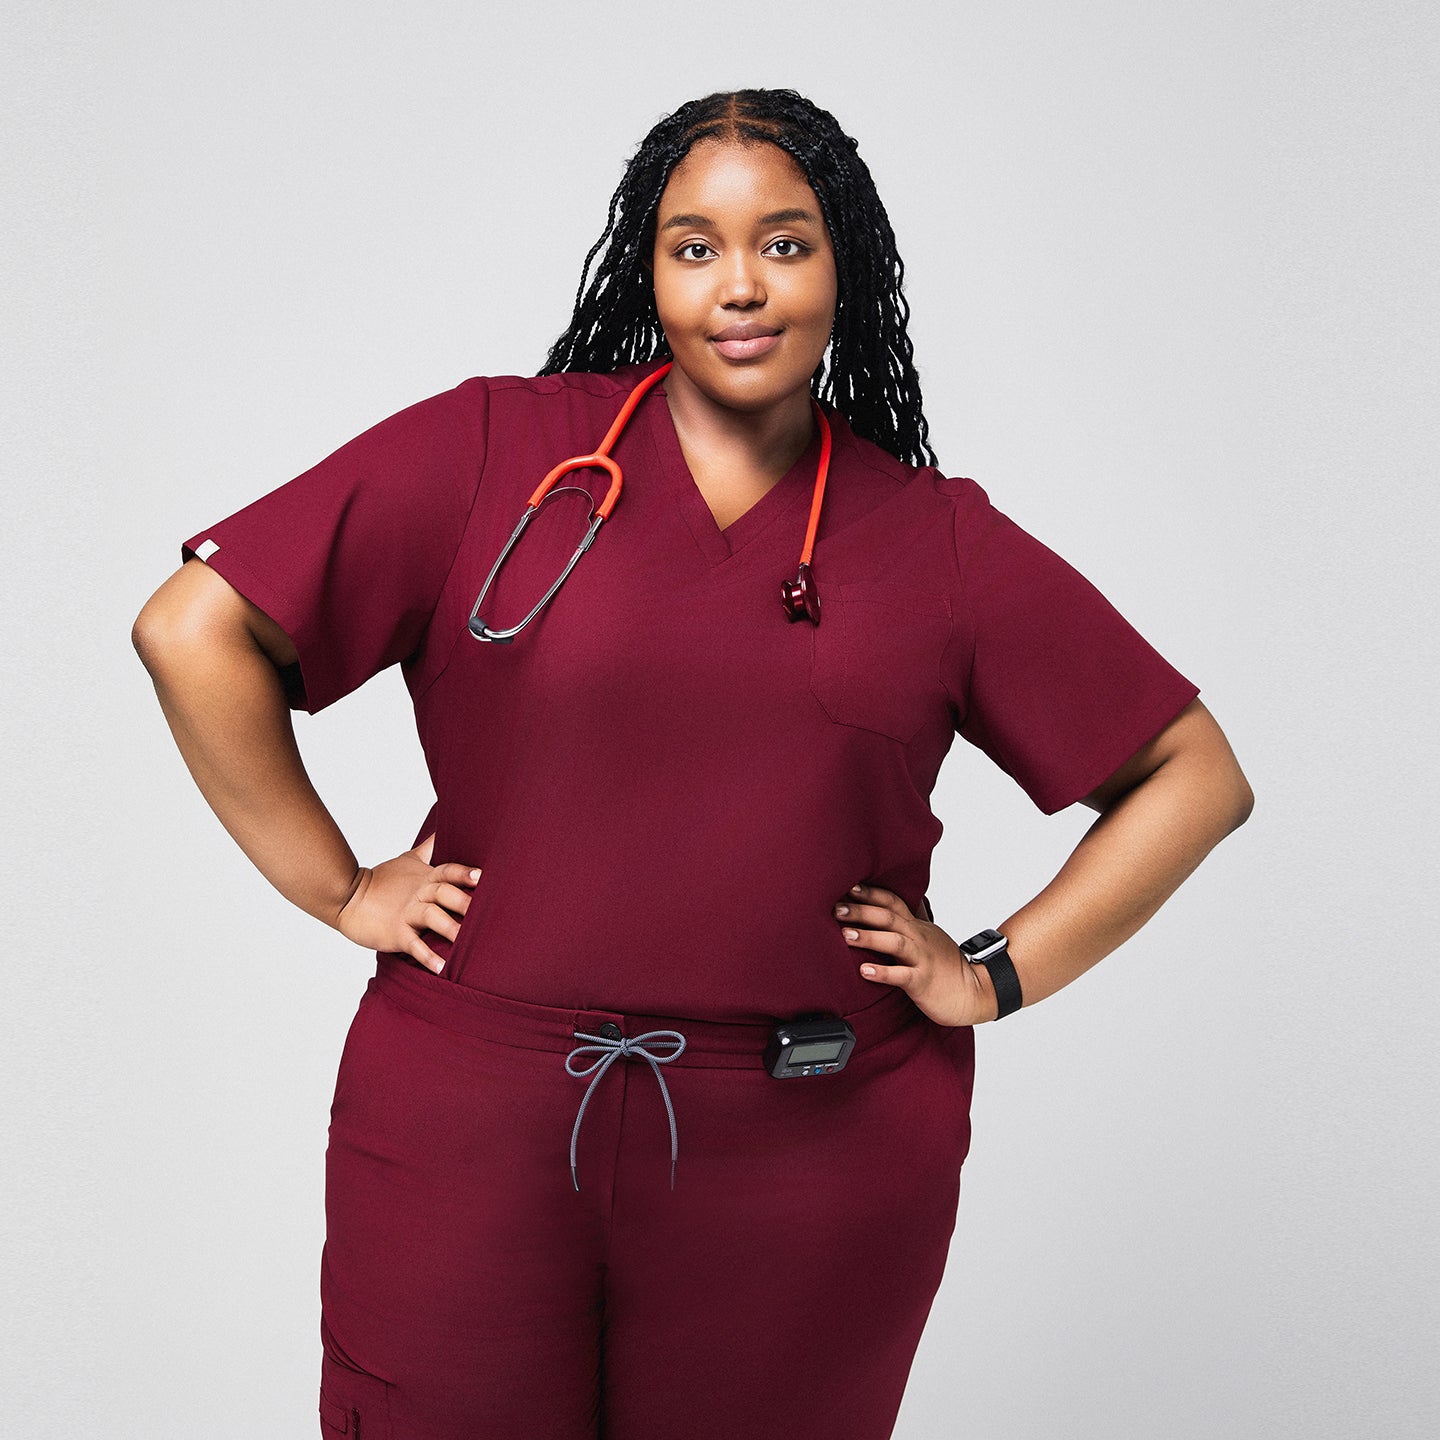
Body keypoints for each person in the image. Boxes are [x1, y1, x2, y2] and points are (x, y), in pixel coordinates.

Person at [132, 88, 1253, 1440]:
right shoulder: (496, 451)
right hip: (473, 1129)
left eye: (785, 244)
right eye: (695, 246)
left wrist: (992, 974)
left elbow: (1193, 773)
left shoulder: (933, 540)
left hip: (811, 1151)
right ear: (648, 271)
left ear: (846, 267)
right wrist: (335, 885)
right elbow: (193, 629)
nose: (741, 286)